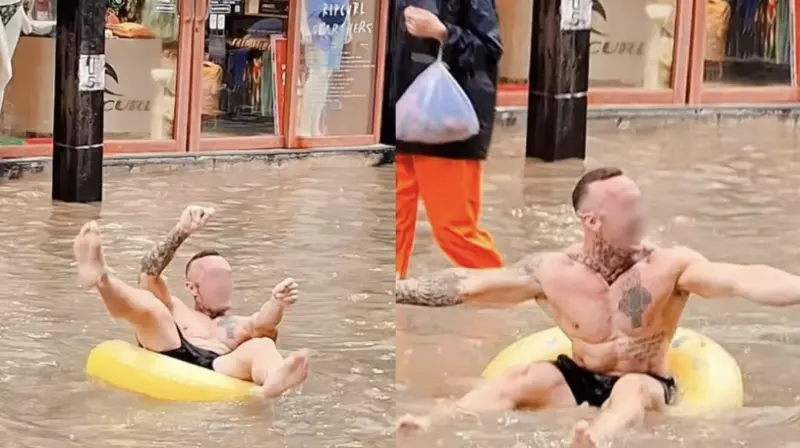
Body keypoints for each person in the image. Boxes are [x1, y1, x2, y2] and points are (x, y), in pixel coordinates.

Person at [395, 167, 800, 447]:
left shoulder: (668, 267)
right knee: (521, 377)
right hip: (579, 377)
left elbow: (744, 279)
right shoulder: (553, 272)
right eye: (627, 208)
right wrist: (401, 289)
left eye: (639, 203)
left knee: (631, 387)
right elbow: (467, 283)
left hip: (647, 382)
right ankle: (432, 423)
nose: (640, 216)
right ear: (592, 222)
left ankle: (594, 439)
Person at [73, 205, 311, 398]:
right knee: (153, 306)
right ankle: (101, 279)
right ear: (192, 287)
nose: (223, 284)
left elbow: (263, 324)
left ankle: (272, 385)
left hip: (221, 365)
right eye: (215, 277)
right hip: (170, 350)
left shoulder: (237, 325)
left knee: (262, 345)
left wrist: (277, 303)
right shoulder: (177, 308)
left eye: (227, 277)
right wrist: (181, 231)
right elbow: (148, 274)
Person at [394, 0, 504, 279]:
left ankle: (506, 298)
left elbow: (489, 49)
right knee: (392, 228)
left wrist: (442, 32)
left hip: (448, 126)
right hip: (394, 123)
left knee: (454, 231)